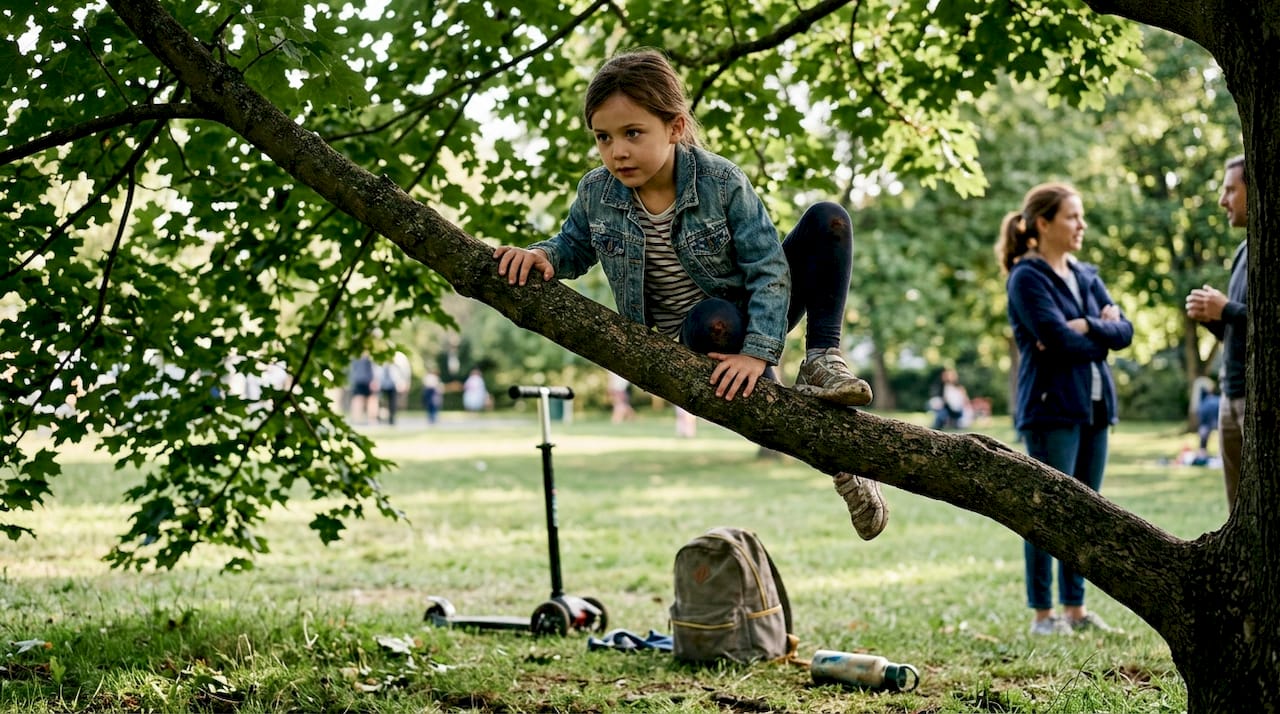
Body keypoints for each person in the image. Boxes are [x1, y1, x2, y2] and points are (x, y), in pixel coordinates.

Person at [492, 48, 887, 540]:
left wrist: (757, 353)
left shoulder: (721, 181)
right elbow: (574, 244)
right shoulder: (597, 191)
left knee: (829, 218)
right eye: (603, 137)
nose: (617, 151)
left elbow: (768, 268)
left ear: (675, 127)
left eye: (633, 133)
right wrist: (543, 255)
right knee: (716, 320)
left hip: (758, 316)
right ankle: (844, 464)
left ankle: (823, 361)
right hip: (701, 331)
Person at [997, 182, 1133, 635]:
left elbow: (1125, 331)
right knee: (1045, 510)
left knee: (1086, 511)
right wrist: (1099, 332)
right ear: (1044, 223)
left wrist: (1087, 327)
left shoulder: (1086, 274)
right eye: (1072, 217)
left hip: (1095, 406)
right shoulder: (1027, 277)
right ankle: (1044, 615)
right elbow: (1056, 339)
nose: (1081, 225)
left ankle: (1076, 609)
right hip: (1050, 408)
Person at [1185, 155, 1248, 511]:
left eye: (1230, 190)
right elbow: (1240, 335)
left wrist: (1226, 309)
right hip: (1229, 396)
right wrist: (1211, 318)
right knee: (1236, 511)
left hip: (1256, 401)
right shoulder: (1242, 252)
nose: (1223, 200)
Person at [347, 352, 374, 425]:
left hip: (362, 380)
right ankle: (357, 418)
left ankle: (367, 419)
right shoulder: (363, 358)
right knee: (359, 399)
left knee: (365, 399)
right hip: (362, 380)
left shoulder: (358, 357)